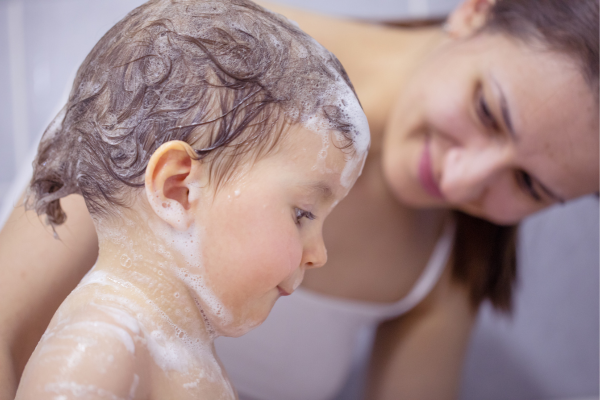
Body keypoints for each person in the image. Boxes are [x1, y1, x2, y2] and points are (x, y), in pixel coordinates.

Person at [0, 0, 597, 399]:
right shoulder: (193, 62)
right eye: (488, 112)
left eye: (530, 185)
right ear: (475, 11)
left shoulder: (456, 255)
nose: (464, 180)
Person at [9, 0, 369, 398]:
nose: (319, 254)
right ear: (178, 189)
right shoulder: (97, 350)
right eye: (302, 214)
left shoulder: (176, 352)